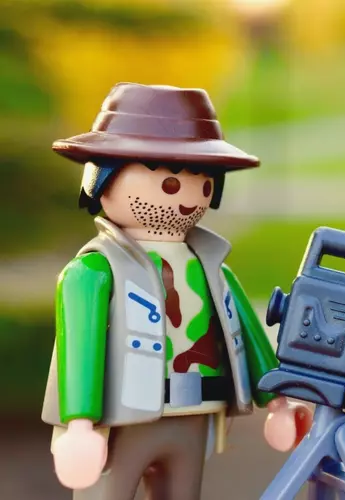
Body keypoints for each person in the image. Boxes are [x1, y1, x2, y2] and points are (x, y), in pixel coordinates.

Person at [41, 82, 312, 500]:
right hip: (120, 418)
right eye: (169, 184)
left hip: (194, 416)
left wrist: (276, 402)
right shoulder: (94, 270)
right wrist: (78, 422)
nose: (187, 198)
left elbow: (249, 336)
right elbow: (80, 347)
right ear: (102, 177)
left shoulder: (212, 268)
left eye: (202, 184)